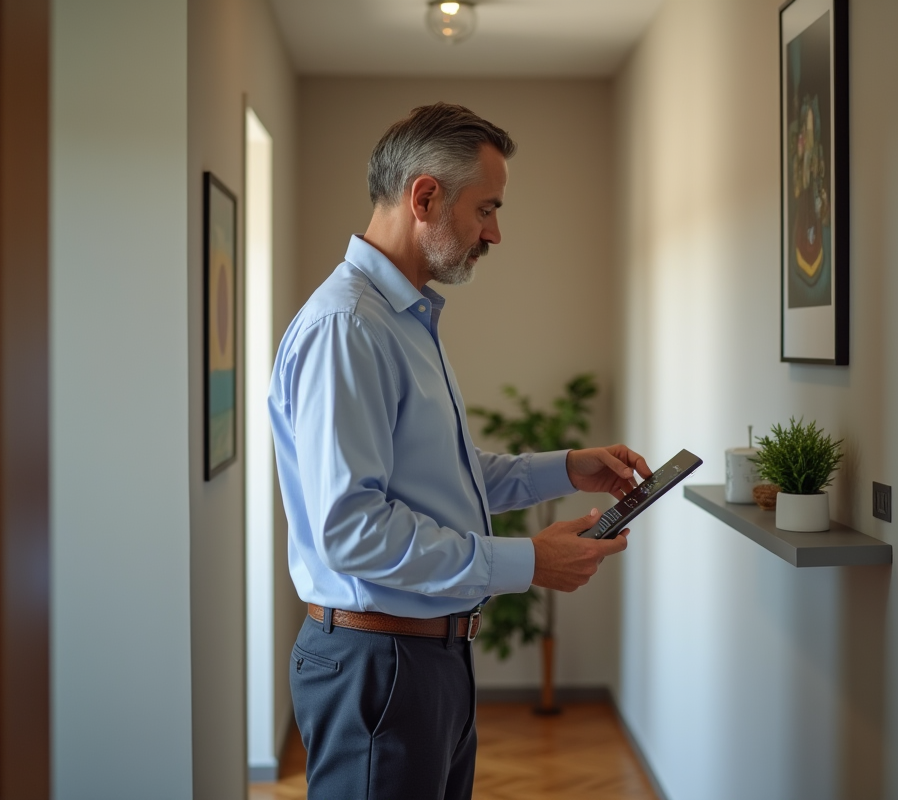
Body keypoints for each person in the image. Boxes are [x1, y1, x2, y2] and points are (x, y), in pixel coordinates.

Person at [268, 102, 652, 800]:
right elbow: (353, 533)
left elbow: (448, 477)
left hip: (424, 656)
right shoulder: (349, 328)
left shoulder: (404, 317)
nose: (495, 233)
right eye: (487, 209)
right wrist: (530, 561)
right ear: (425, 197)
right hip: (379, 664)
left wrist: (568, 467)